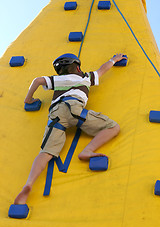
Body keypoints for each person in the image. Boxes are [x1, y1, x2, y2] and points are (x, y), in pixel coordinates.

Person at [14, 53, 127, 205]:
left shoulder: (58, 80)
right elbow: (102, 70)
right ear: (78, 67)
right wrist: (113, 60)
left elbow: (38, 80)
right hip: (75, 109)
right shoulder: (85, 77)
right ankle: (88, 150)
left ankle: (29, 183)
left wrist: (28, 99)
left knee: (46, 152)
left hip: (56, 115)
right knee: (113, 127)